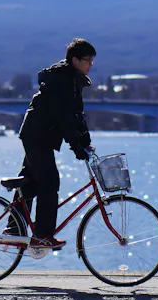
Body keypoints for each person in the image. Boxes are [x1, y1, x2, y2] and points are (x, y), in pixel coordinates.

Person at [14, 38, 97, 249]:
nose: (91, 65)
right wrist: (75, 146)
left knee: (30, 182)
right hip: (37, 135)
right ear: (76, 60)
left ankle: (13, 229)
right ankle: (42, 235)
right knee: (49, 182)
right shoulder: (62, 81)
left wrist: (85, 142)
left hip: (40, 135)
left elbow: (77, 115)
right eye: (88, 60)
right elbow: (64, 118)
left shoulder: (72, 80)